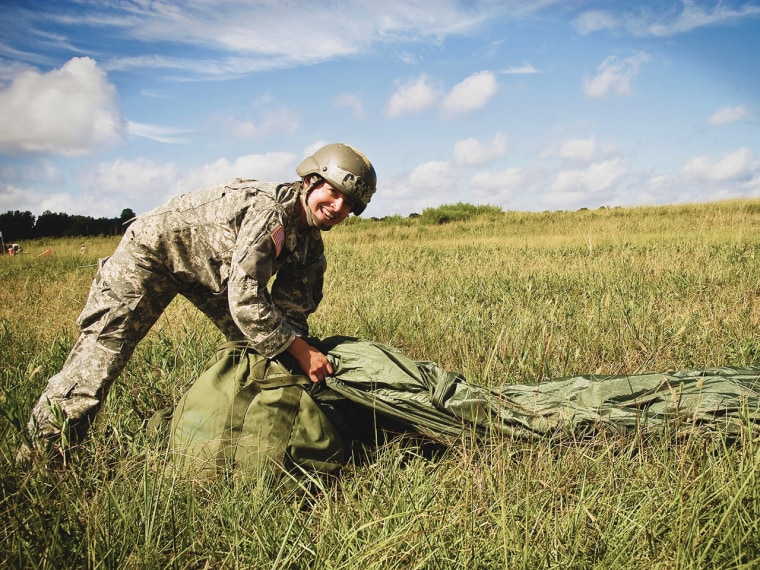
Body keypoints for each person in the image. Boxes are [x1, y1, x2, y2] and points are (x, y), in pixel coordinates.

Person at [21, 142, 377, 460]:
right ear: (311, 181)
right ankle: (42, 454)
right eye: (333, 192)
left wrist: (297, 349)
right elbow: (247, 298)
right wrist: (300, 350)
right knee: (103, 354)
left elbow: (291, 317)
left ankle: (221, 431)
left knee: (256, 348)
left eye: (349, 204)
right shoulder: (270, 211)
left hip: (210, 273)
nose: (337, 207)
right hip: (151, 254)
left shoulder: (311, 249)